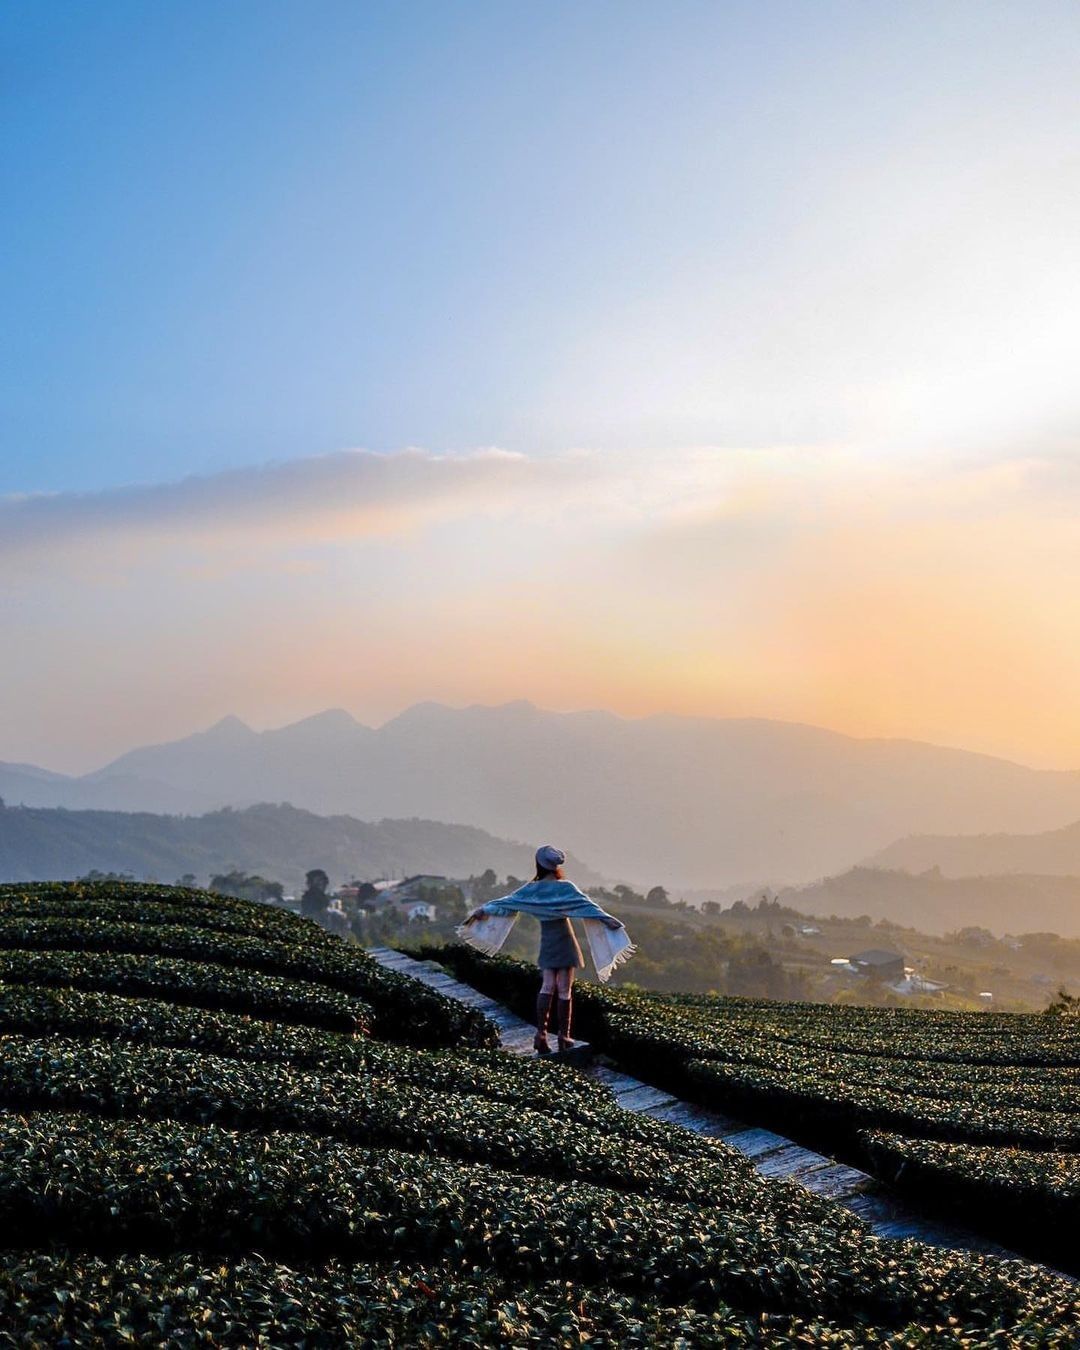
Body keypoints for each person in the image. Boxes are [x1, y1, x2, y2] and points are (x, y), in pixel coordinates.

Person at [459, 845, 634, 1055]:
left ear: (538, 865)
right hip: (565, 940)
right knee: (564, 989)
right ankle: (563, 1036)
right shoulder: (566, 887)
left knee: (547, 985)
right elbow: (588, 906)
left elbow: (506, 903)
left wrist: (483, 910)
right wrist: (608, 920)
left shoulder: (532, 889)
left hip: (548, 941)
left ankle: (541, 1034)